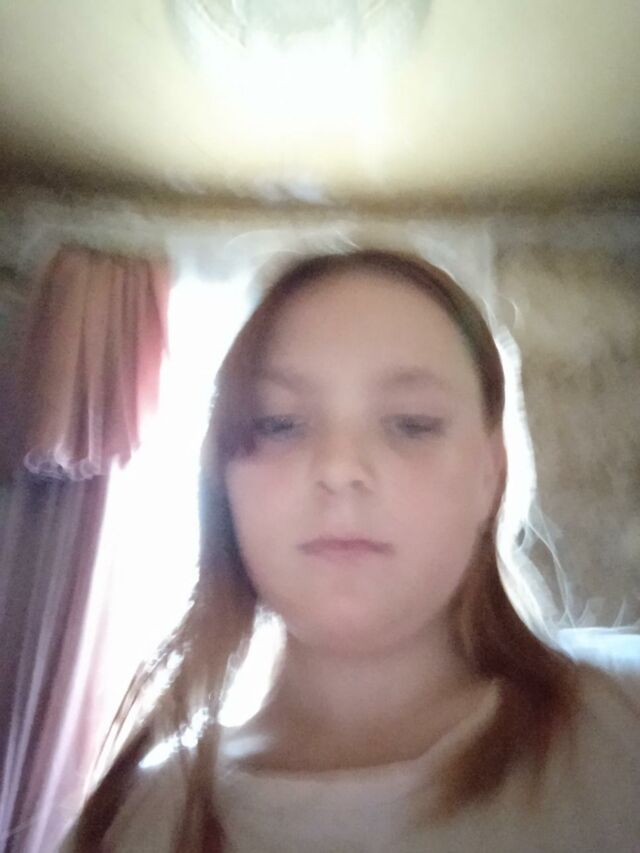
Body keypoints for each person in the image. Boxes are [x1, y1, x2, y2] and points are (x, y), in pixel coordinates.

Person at [61, 249, 640, 853]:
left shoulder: (623, 732)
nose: (339, 469)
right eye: (280, 423)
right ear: (223, 480)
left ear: (490, 474)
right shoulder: (134, 823)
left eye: (412, 423)